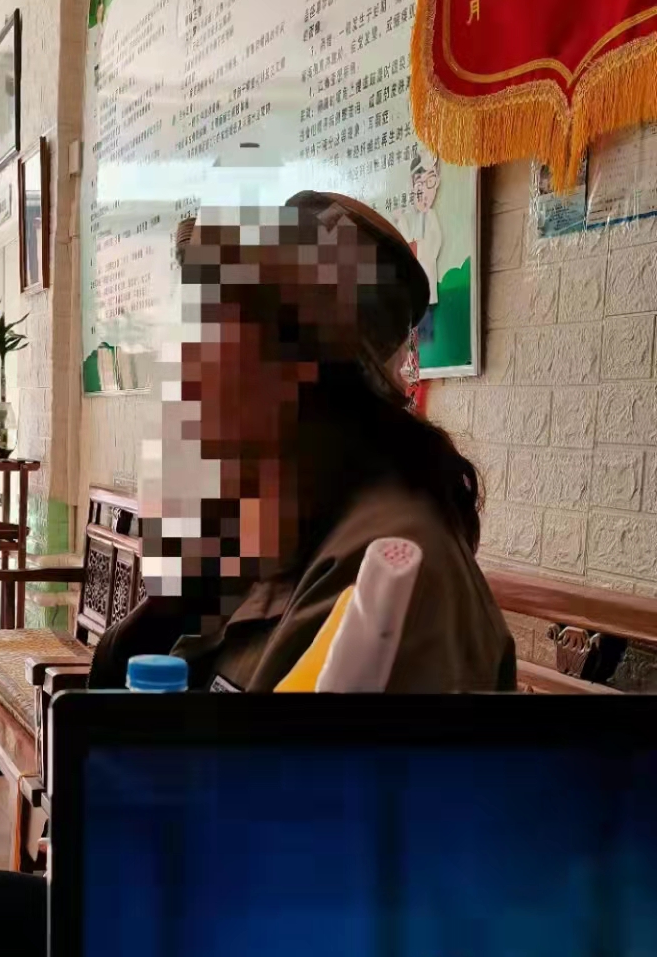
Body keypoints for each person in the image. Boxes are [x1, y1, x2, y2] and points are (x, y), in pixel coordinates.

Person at [89, 189, 515, 694]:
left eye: (219, 332)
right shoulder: (285, 529)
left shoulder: (390, 571)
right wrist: (170, 609)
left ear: (305, 374)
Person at [395, 148, 442, 342]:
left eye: (429, 182)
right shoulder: (413, 219)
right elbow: (410, 246)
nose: (423, 191)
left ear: (436, 183)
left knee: (424, 328)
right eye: (419, 184)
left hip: (426, 284)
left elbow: (430, 246)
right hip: (414, 288)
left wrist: (417, 246)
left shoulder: (430, 216)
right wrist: (402, 223)